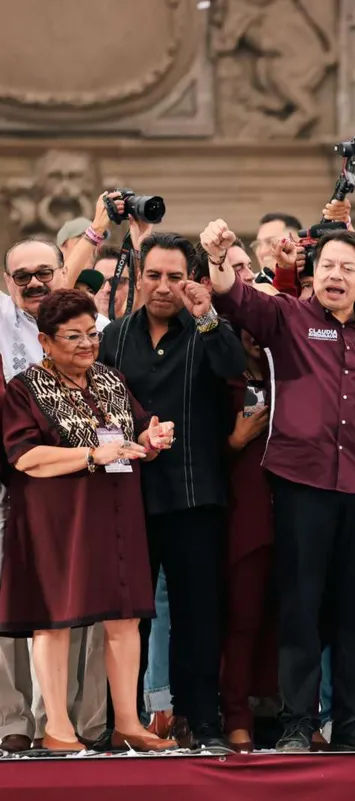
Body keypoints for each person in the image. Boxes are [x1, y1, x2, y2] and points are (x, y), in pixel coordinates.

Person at [204, 219, 355, 753]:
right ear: (313, 272)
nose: (336, 276)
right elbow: (234, 297)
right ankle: (298, 723)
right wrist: (219, 258)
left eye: (347, 268)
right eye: (328, 266)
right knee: (300, 606)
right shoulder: (286, 317)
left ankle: (354, 723)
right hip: (300, 483)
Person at [0, 289, 176, 753]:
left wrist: (153, 438)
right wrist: (92, 454)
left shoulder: (110, 379)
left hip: (118, 516)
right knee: (53, 620)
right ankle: (58, 728)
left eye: (92, 334)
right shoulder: (24, 388)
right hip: (56, 521)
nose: (87, 344)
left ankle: (127, 724)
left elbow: (136, 435)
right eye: (73, 336)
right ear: (44, 340)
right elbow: (24, 457)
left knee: (125, 618)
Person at [98, 232, 246, 752]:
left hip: (195, 493)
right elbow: (99, 408)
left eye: (175, 277)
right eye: (154, 275)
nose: (163, 287)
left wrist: (207, 317)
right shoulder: (114, 336)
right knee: (127, 618)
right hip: (128, 494)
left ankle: (201, 721)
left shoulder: (207, 328)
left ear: (193, 281)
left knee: (197, 615)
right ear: (139, 278)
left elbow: (234, 368)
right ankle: (124, 721)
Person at [219, 326, 275, 751]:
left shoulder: (291, 376)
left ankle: (287, 713)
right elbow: (198, 449)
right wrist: (235, 440)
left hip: (295, 509)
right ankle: (236, 715)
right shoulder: (223, 378)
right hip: (244, 512)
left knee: (293, 620)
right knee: (243, 617)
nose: (255, 337)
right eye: (247, 329)